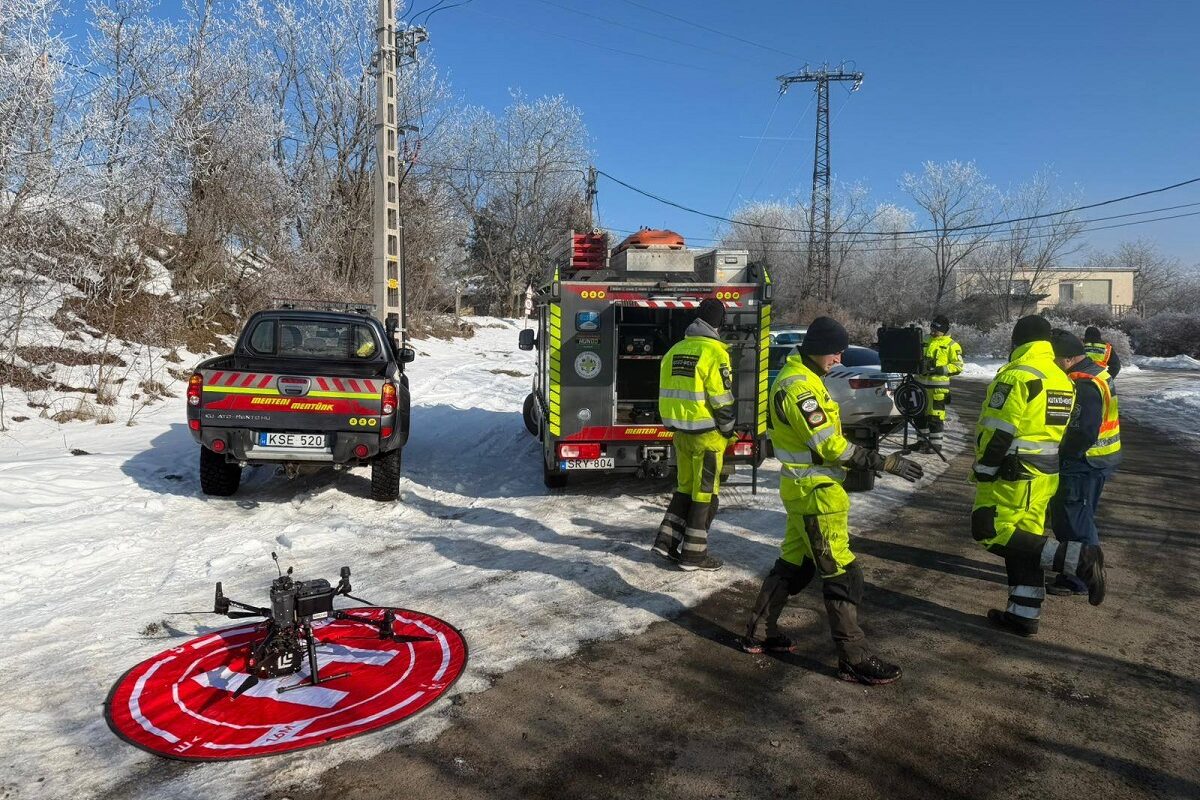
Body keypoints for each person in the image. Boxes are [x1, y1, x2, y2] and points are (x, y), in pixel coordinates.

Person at [741, 316, 925, 685]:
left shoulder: (805, 378)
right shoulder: (800, 388)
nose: (840, 359)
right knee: (842, 572)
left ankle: (759, 633)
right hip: (817, 493)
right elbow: (829, 445)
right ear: (818, 349)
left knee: (793, 563)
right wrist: (885, 461)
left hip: (805, 489)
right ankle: (853, 658)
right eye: (836, 351)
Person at [971, 315, 1106, 637]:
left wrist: (985, 470)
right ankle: (1023, 614)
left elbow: (999, 430)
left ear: (1016, 342)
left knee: (989, 530)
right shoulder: (1061, 377)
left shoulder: (1018, 375)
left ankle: (1080, 559)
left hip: (1013, 473)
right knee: (1025, 542)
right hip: (1045, 474)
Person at [652, 298, 737, 571]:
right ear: (719, 324)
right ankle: (693, 556)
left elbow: (666, 391)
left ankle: (665, 542)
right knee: (705, 493)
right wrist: (728, 430)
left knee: (686, 487)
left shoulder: (676, 350)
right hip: (707, 436)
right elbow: (722, 400)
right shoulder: (715, 353)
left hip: (681, 434)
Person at [1047, 330, 1122, 596]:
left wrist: (1064, 453)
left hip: (1083, 462)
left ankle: (1079, 577)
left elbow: (1084, 431)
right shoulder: (1097, 372)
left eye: (1054, 360)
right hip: (1099, 459)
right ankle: (1079, 570)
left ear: (1066, 359)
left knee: (1074, 518)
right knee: (1081, 515)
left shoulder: (1083, 383)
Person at [915, 315, 965, 453]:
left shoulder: (952, 345)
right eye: (932, 328)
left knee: (935, 416)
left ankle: (935, 445)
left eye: (936, 330)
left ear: (944, 330)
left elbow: (958, 366)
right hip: (920, 385)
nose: (933, 332)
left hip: (938, 388)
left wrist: (939, 369)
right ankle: (921, 442)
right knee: (920, 415)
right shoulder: (924, 339)